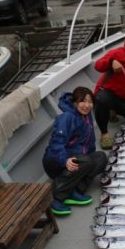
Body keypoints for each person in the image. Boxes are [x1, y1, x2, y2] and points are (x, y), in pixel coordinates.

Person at [42, 87, 107, 216]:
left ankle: (74, 191)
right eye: (83, 101)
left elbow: (88, 141)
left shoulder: (86, 115)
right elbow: (56, 143)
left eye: (90, 102)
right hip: (56, 161)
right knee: (87, 161)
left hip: (77, 157)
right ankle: (58, 197)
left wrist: (91, 159)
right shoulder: (67, 117)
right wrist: (65, 160)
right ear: (75, 102)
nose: (87, 105)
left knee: (101, 158)